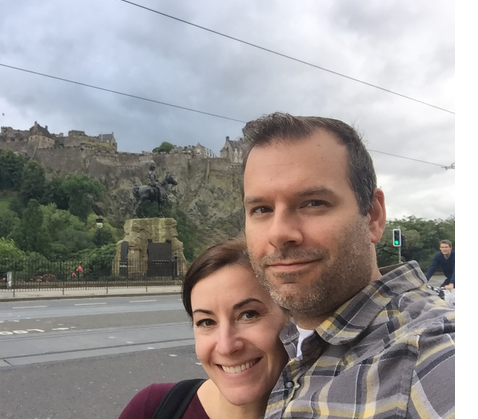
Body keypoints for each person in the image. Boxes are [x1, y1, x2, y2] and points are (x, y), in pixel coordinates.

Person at [241, 113, 455, 418]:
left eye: (313, 203)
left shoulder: (431, 352)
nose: (279, 234)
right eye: (261, 209)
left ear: (374, 216)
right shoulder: (280, 347)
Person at [119, 239, 289, 418]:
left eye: (248, 315)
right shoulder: (152, 408)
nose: (226, 347)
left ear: (292, 318)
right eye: (207, 322)